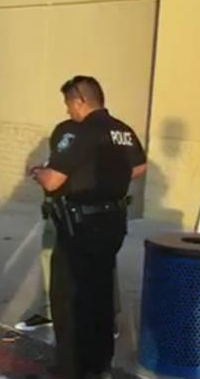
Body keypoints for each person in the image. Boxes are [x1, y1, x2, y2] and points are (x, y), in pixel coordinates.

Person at [32, 75, 146, 379]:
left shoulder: (83, 132)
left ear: (80, 100)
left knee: (68, 298)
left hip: (80, 226)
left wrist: (37, 172)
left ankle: (70, 369)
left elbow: (54, 179)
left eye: (69, 103)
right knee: (100, 294)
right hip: (113, 222)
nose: (68, 110)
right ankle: (99, 365)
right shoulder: (123, 131)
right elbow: (139, 166)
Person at [14, 119, 124, 339]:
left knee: (99, 265)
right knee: (50, 258)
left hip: (89, 215)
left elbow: (135, 167)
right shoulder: (65, 129)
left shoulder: (107, 133)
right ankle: (50, 309)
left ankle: (106, 317)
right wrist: (42, 171)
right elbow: (54, 172)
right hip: (57, 211)